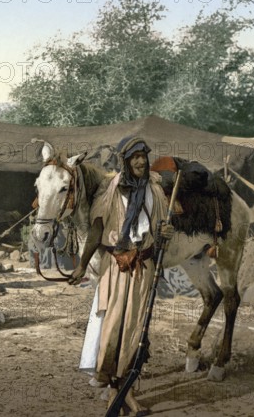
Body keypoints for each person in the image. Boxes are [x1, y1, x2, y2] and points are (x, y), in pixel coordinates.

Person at [68, 137, 174, 415]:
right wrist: (81, 265)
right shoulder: (111, 190)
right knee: (112, 327)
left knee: (135, 330)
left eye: (143, 156)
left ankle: (127, 391)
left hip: (144, 265)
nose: (140, 161)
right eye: (135, 157)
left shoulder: (154, 189)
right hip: (116, 266)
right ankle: (114, 389)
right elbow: (96, 230)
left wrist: (165, 234)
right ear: (125, 160)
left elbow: (161, 229)